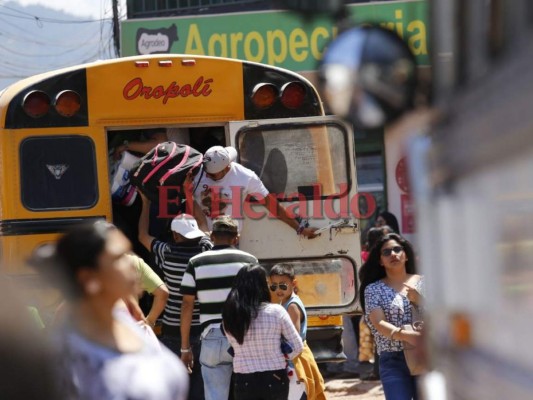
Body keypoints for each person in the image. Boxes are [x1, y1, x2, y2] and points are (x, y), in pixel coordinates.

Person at [33, 221, 189, 400]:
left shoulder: (136, 329)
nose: (131, 264)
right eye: (119, 257)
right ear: (88, 277)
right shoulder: (64, 356)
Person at [139, 192, 213, 400]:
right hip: (202, 329)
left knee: (174, 387)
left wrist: (145, 203)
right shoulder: (205, 250)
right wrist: (189, 193)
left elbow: (142, 236)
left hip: (172, 328)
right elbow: (204, 223)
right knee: (199, 385)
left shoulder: (166, 252)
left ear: (175, 236)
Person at [180, 215, 258, 400]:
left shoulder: (196, 262)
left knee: (215, 396)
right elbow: (258, 303)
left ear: (212, 236)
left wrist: (185, 348)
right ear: (236, 238)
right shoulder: (250, 261)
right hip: (245, 336)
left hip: (212, 337)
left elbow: (187, 304)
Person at [194, 145, 318, 238]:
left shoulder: (246, 177)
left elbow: (272, 205)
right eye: (206, 172)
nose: (207, 176)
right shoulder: (196, 173)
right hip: (201, 239)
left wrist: (299, 228)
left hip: (229, 240)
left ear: (227, 168)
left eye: (213, 175)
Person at [223, 264, 304, 400]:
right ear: (262, 286)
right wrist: (280, 353)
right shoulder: (276, 312)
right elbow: (297, 347)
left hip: (243, 379)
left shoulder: (230, 315)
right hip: (275, 377)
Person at [359, 233, 424, 400]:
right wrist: (405, 335)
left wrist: (420, 300)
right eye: (386, 252)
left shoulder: (426, 283)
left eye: (397, 249)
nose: (393, 254)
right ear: (380, 260)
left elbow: (441, 316)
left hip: (424, 355)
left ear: (406, 255)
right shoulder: (373, 289)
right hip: (392, 359)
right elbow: (378, 322)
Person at [269, 264, 325, 400]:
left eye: (283, 285)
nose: (278, 290)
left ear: (293, 283)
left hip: (296, 361)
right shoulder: (285, 302)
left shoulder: (292, 306)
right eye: (274, 286)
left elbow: (292, 338)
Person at [128, 252, 169, 328]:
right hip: (131, 330)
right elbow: (163, 293)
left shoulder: (99, 265)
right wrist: (150, 321)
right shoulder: (134, 262)